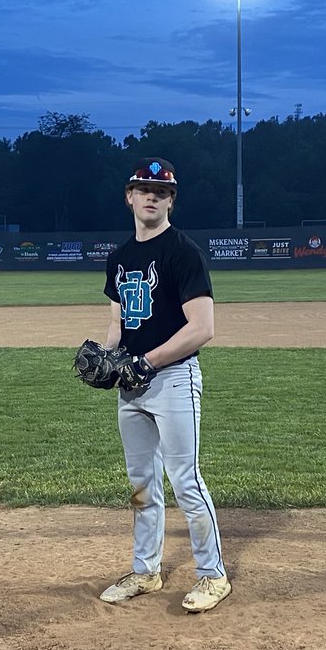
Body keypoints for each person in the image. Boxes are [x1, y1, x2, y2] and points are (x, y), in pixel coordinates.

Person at [96, 158, 231, 612]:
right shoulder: (119, 258)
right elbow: (118, 325)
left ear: (171, 200)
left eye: (161, 190)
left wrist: (147, 362)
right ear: (129, 196)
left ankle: (213, 576)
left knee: (185, 480)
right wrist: (108, 356)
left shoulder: (183, 252)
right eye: (142, 188)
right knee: (141, 485)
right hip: (132, 386)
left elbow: (203, 328)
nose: (151, 195)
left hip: (173, 379)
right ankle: (145, 570)